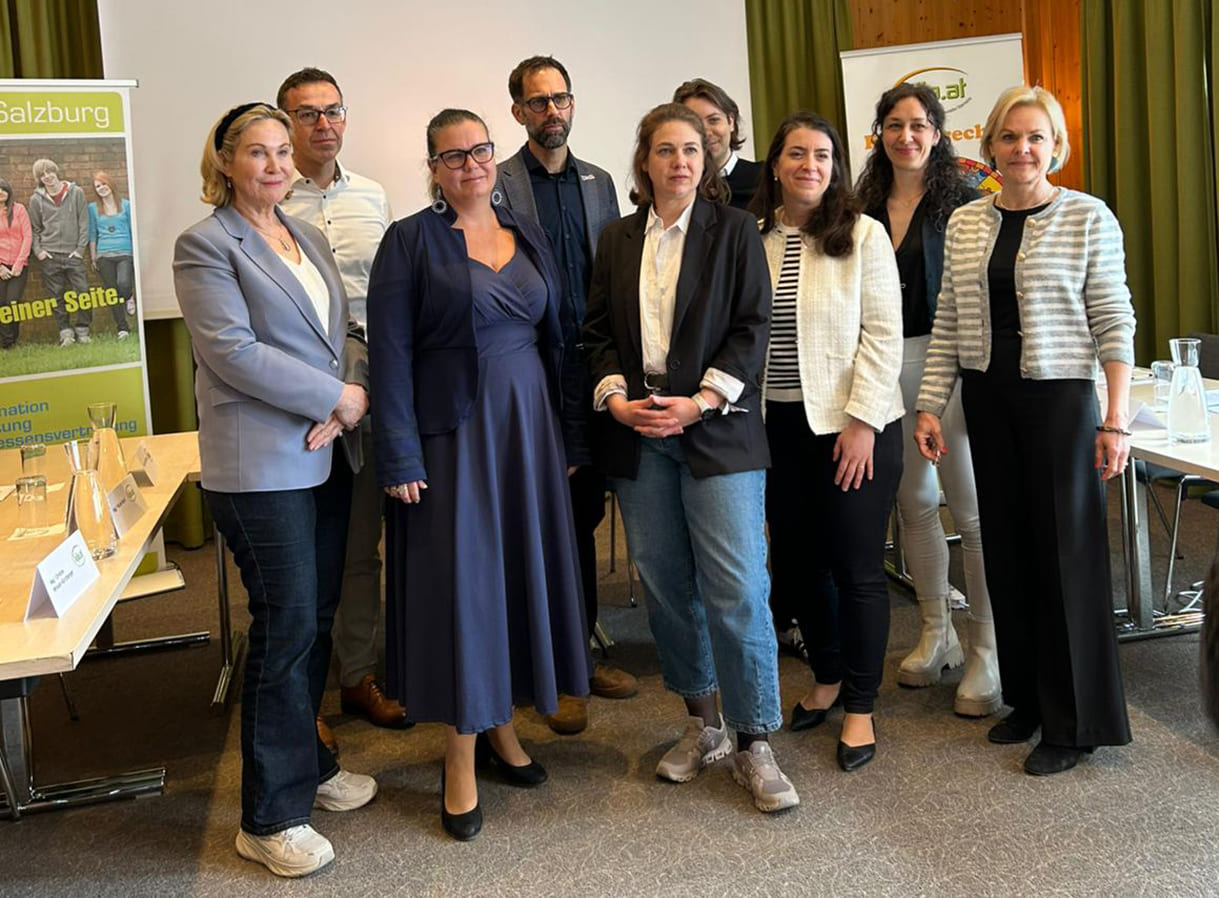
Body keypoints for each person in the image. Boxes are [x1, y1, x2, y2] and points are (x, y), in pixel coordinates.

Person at [367, 109, 590, 841]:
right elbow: (390, 357)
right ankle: (458, 756)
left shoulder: (524, 231)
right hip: (451, 438)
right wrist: (397, 453)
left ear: (495, 156)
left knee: (514, 581)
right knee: (465, 590)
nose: (470, 164)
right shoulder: (409, 242)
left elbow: (555, 339)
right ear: (432, 166)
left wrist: (565, 430)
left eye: (480, 150)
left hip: (526, 430)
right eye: (452, 155)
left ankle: (500, 729)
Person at [173, 102, 376, 877]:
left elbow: (346, 335)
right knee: (285, 628)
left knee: (314, 622)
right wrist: (333, 399)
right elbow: (231, 352)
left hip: (325, 454)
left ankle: (309, 770)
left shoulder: (309, 236)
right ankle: (267, 817)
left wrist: (347, 391)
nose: (274, 164)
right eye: (256, 152)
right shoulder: (205, 246)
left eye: (281, 151)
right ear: (224, 162)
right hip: (259, 468)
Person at [582, 103, 797, 812]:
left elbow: (752, 326)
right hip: (638, 433)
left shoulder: (734, 231)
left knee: (735, 588)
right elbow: (594, 335)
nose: (678, 161)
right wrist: (616, 399)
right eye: (665, 150)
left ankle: (754, 739)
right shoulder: (614, 239)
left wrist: (699, 401)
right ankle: (701, 725)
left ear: (707, 164)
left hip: (716, 429)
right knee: (668, 588)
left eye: (692, 151)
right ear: (643, 161)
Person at [914, 86, 1135, 776]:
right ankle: (1033, 702)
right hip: (989, 397)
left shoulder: (1085, 216)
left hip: (1061, 398)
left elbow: (1113, 320)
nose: (1022, 149)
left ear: (1055, 146)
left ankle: (1077, 724)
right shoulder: (967, 222)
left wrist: (1115, 419)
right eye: (1009, 137)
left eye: (1036, 137)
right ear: (990, 148)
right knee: (1006, 552)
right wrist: (928, 404)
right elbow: (947, 320)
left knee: (1064, 558)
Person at [753, 112, 903, 772]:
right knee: (797, 565)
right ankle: (828, 677)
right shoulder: (750, 238)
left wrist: (863, 422)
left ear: (834, 165)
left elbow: (882, 335)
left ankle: (862, 708)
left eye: (821, 155)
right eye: (795, 154)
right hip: (774, 428)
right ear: (776, 165)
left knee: (856, 567)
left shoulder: (862, 235)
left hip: (851, 428)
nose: (808, 165)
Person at [497, 54, 636, 735]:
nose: (553, 111)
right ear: (517, 112)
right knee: (524, 519)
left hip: (587, 376)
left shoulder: (599, 182)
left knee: (580, 517)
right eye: (538, 101)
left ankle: (576, 657)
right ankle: (532, 665)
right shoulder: (493, 186)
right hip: (521, 376)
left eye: (562, 99)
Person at [855, 84, 1000, 717]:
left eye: (918, 125)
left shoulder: (967, 203)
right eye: (893, 125)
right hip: (886, 365)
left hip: (951, 365)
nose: (905, 136)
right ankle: (935, 631)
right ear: (878, 134)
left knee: (970, 509)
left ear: (938, 133)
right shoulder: (858, 204)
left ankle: (986, 649)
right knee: (912, 502)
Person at [276, 67, 406, 746]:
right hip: (299, 401)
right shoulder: (269, 201)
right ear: (283, 124)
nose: (322, 124)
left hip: (371, 393)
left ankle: (355, 677)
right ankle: (303, 695)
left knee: (360, 548)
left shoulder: (374, 197)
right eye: (306, 114)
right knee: (300, 556)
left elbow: (386, 296)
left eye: (332, 111)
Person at [673, 78, 763, 212]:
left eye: (714, 120)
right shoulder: (673, 186)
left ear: (730, 122)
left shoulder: (763, 179)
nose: (706, 132)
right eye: (695, 123)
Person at [28, 159, 91, 346]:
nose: (47, 176)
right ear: (39, 178)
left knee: (83, 293)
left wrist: (80, 250)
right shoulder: (36, 199)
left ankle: (83, 330)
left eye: (49, 172)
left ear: (56, 171)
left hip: (73, 255)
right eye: (42, 174)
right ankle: (65, 333)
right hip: (50, 256)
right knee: (56, 296)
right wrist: (39, 251)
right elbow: (35, 229)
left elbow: (84, 223)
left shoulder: (76, 193)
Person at [86, 171, 132, 339]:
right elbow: (92, 233)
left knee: (124, 284)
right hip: (104, 255)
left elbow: (132, 230)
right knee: (111, 293)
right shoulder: (92, 208)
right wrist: (93, 257)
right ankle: (123, 329)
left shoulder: (126, 205)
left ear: (110, 184)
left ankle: (129, 296)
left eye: (103, 184)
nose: (101, 188)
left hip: (125, 253)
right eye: (97, 186)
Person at [0, 178, 32, 349]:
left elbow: (27, 236)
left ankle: (13, 339)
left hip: (19, 266)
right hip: (1, 265)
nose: (0, 192)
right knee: (1, 304)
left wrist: (19, 263)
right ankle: (6, 343)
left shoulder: (19, 209)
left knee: (12, 302)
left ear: (9, 191)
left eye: (3, 189)